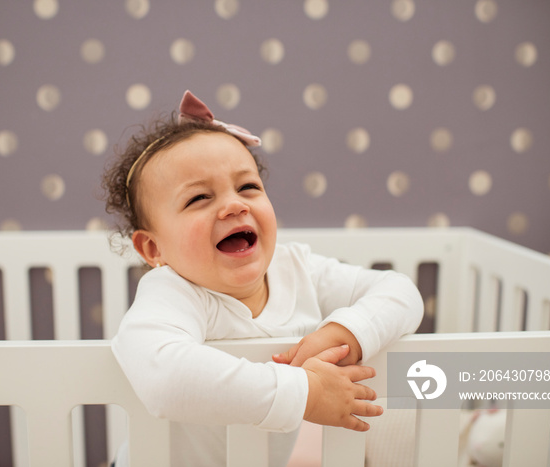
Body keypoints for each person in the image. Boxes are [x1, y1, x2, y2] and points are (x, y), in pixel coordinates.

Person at [103, 90, 424, 466]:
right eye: (199, 198)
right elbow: (165, 378)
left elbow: (400, 292)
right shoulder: (171, 294)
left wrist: (347, 331)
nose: (235, 204)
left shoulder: (297, 269)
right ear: (153, 249)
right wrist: (303, 392)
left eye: (248, 187)